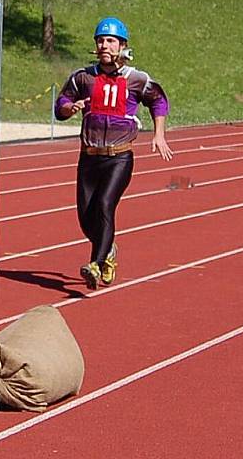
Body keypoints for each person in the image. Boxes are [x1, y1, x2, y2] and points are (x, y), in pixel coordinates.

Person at [55, 17, 173, 290]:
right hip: (89, 157)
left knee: (105, 205)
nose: (104, 45)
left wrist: (159, 133)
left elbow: (158, 99)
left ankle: (95, 264)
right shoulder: (83, 77)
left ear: (122, 45)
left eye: (110, 40)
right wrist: (69, 108)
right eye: (100, 40)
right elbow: (61, 102)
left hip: (119, 157)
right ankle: (108, 250)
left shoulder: (136, 79)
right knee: (86, 218)